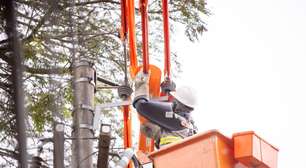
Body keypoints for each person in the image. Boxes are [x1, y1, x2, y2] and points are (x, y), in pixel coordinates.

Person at [132, 72, 197, 148]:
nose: (173, 101)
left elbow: (141, 105)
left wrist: (141, 84)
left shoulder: (176, 119)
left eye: (174, 99)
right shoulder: (188, 123)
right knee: (146, 127)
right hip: (176, 155)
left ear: (178, 102)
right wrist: (166, 92)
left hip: (171, 155)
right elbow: (165, 112)